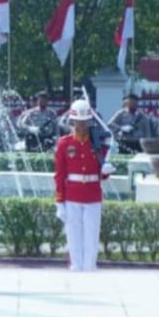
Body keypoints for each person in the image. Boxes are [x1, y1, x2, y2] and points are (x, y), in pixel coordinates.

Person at [53, 99, 114, 271]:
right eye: (78, 122)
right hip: (72, 194)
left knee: (91, 236)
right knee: (74, 236)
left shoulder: (98, 143)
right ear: (72, 121)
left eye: (85, 121)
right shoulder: (64, 143)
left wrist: (107, 170)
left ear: (90, 121)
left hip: (92, 194)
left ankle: (90, 267)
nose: (81, 126)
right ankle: (76, 267)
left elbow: (102, 173)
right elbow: (60, 174)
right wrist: (59, 201)